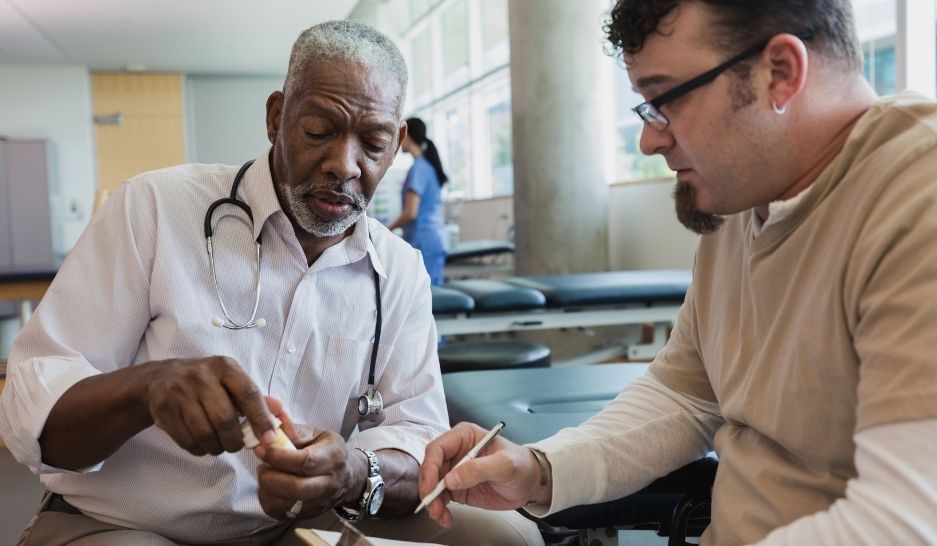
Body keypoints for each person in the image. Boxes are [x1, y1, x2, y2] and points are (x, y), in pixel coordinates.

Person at [418, 1, 937, 545]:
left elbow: (911, 521)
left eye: (665, 100)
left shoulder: (933, 195)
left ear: (780, 73)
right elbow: (684, 395)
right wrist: (540, 469)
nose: (649, 139)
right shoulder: (740, 201)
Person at [0, 20, 542, 546]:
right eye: (318, 131)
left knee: (509, 536)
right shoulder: (153, 210)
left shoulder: (397, 270)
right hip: (123, 521)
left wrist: (356, 471)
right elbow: (34, 413)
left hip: (298, 521)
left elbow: (418, 436)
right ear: (277, 116)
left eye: (373, 142)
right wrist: (146, 389)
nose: (344, 164)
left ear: (398, 143)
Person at [388, 117, 450, 286]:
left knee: (429, 298)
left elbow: (411, 213)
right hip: (431, 238)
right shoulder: (427, 167)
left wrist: (386, 230)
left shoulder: (419, 169)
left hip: (425, 240)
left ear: (407, 135)